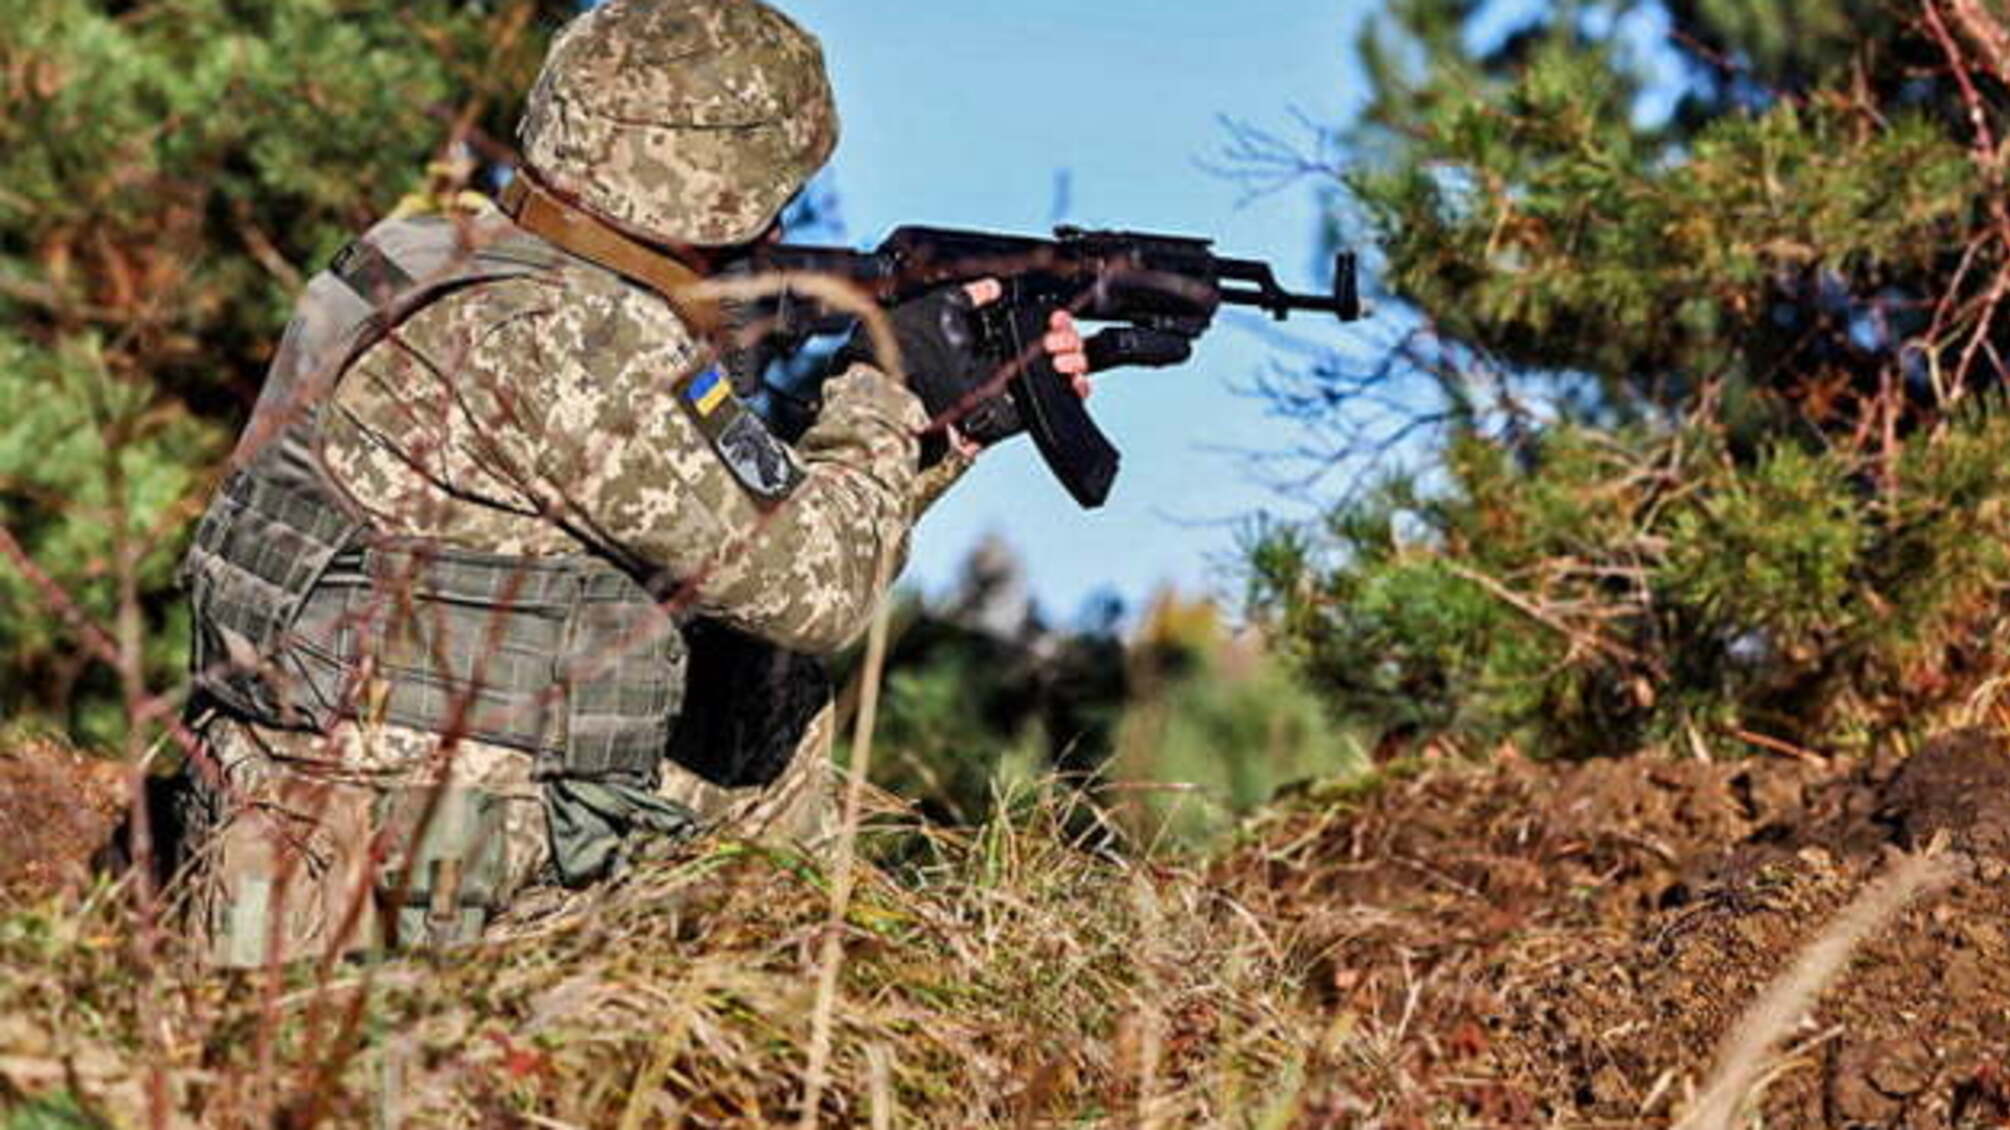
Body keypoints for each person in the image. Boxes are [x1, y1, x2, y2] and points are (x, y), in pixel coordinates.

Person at [170, 0, 1090, 966]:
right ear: (723, 182)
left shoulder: (435, 255)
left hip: (288, 820)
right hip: (382, 893)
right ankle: (752, 1037)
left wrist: (943, 434)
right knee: (765, 694)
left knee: (734, 659)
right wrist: (891, 396)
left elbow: (723, 517)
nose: (781, 217)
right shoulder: (576, 339)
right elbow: (815, 593)